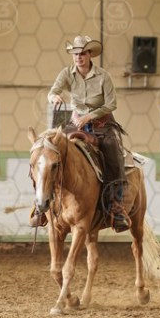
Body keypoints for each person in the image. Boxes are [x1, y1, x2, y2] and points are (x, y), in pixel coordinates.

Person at [30, 35, 130, 231]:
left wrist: (89, 116)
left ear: (90, 54)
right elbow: (53, 91)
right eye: (75, 53)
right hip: (76, 123)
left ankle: (115, 206)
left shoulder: (103, 77)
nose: (78, 57)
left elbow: (111, 104)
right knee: (48, 151)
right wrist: (53, 97)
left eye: (82, 53)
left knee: (114, 154)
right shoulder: (67, 73)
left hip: (102, 124)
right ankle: (41, 205)